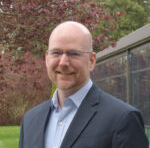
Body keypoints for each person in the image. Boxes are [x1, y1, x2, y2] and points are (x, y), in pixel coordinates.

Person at [19, 21, 149, 148]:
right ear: (47, 59)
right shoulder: (30, 120)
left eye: (73, 53)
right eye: (56, 53)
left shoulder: (123, 119)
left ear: (91, 61)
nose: (63, 62)